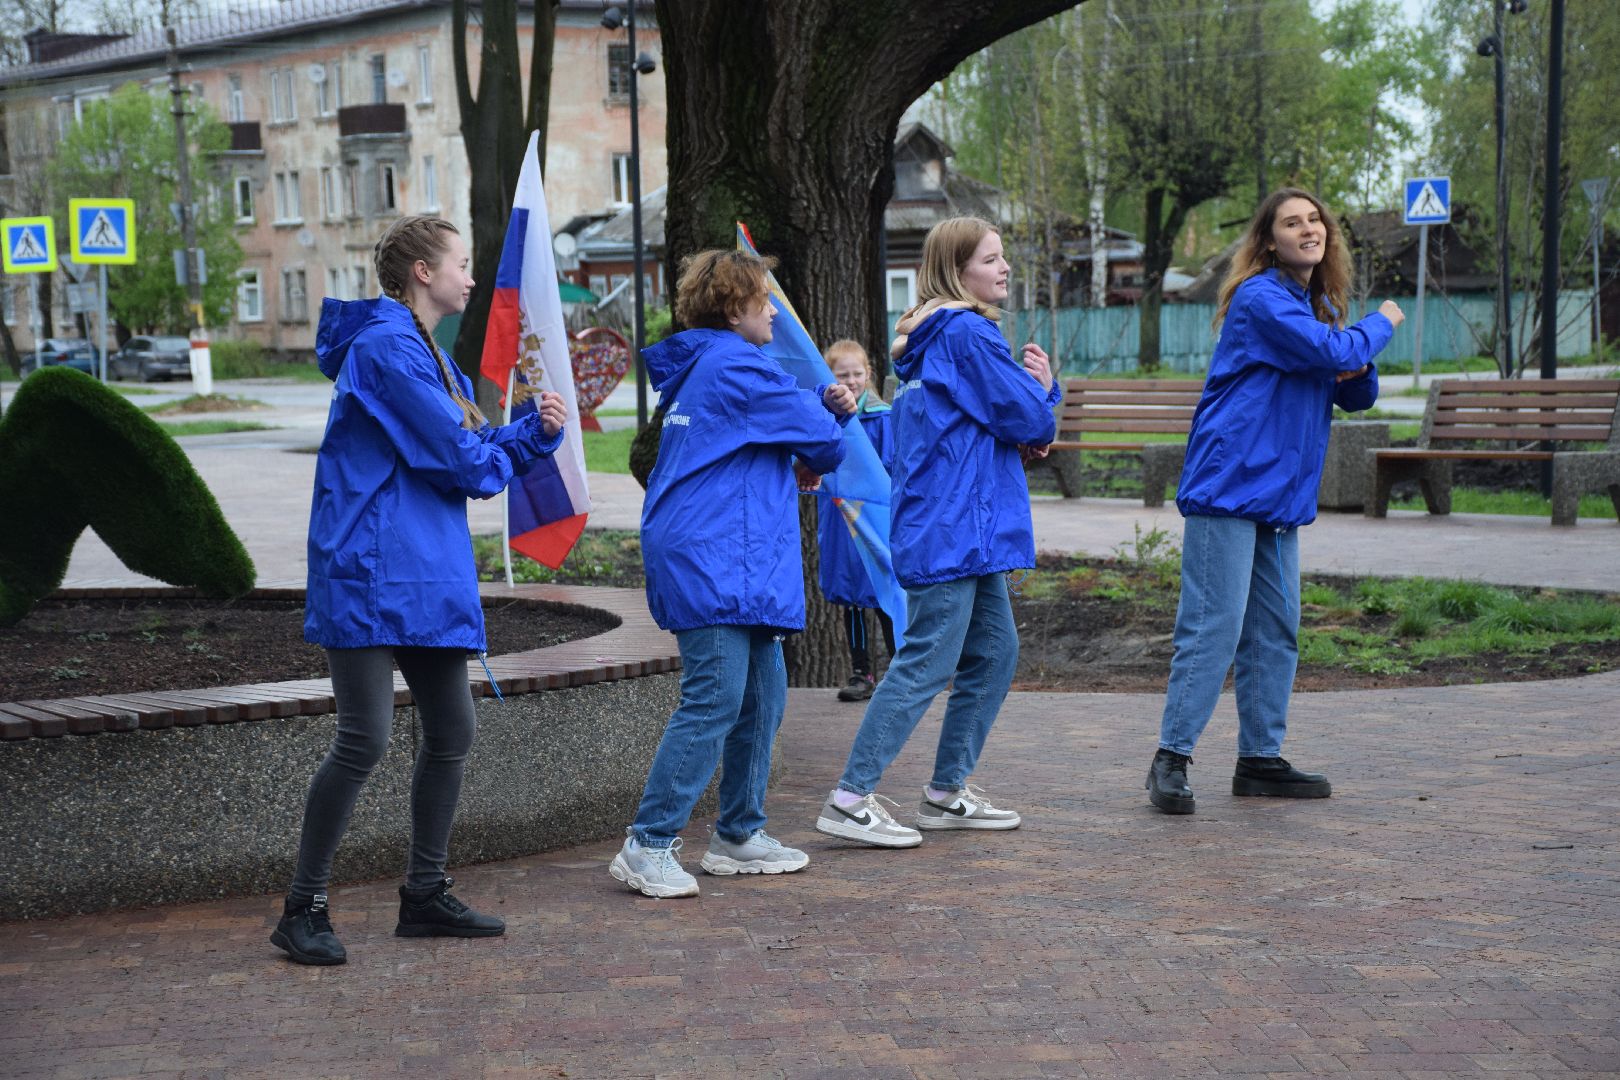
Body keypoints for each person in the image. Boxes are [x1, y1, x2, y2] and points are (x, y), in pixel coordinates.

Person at [272, 215, 568, 965]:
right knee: (363, 738)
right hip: (370, 571)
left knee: (452, 732)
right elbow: (461, 462)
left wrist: (529, 431)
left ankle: (424, 895)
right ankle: (301, 908)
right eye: (461, 264)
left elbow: (462, 446)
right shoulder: (387, 348)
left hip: (419, 570)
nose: (471, 276)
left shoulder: (426, 353)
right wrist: (525, 440)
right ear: (422, 274)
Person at [1145, 187, 1402, 815]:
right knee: (1215, 627)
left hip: (1278, 497)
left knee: (1274, 631)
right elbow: (1333, 353)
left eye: (1315, 220)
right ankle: (1170, 760)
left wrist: (1352, 356)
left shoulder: (1309, 304)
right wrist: (1383, 322)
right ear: (1269, 241)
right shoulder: (1261, 298)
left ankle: (1260, 759)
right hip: (1231, 485)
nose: (1308, 228)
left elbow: (1353, 391)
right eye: (1293, 222)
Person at [609, 249, 856, 898]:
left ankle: (739, 834)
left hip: (735, 555)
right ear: (733, 308)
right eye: (763, 299)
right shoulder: (742, 364)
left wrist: (811, 424)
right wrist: (833, 411)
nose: (773, 310)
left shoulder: (710, 367)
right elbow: (824, 444)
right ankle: (649, 843)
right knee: (717, 696)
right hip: (715, 557)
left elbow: (765, 448)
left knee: (762, 696)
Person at [814, 216, 1060, 849]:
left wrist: (1022, 429)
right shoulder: (967, 334)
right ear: (957, 271)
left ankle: (947, 792)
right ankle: (849, 798)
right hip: (954, 530)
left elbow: (984, 427)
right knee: (926, 660)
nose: (1004, 268)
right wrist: (1045, 391)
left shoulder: (933, 341)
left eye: (1004, 257)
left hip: (962, 527)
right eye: (990, 259)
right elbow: (1029, 416)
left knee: (995, 653)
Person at [816, 338, 898, 703]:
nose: (850, 381)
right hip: (840, 519)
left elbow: (892, 467)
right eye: (841, 375)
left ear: (869, 374)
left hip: (876, 517)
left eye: (857, 373)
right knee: (852, 596)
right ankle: (861, 672)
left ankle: (900, 669)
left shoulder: (882, 418)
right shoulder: (822, 418)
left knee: (883, 591)